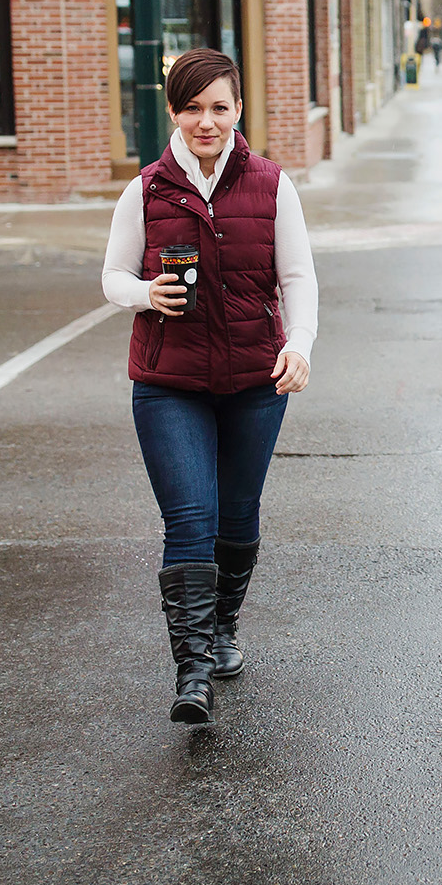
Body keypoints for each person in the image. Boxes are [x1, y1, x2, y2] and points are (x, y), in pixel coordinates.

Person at [102, 49, 317, 726]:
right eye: (192, 107)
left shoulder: (273, 185)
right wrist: (145, 292)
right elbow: (111, 276)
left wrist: (299, 344)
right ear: (173, 111)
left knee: (236, 511)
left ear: (238, 111)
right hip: (171, 382)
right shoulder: (145, 191)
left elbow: (299, 279)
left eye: (218, 107)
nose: (205, 120)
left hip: (256, 378)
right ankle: (193, 670)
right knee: (189, 518)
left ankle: (223, 627)